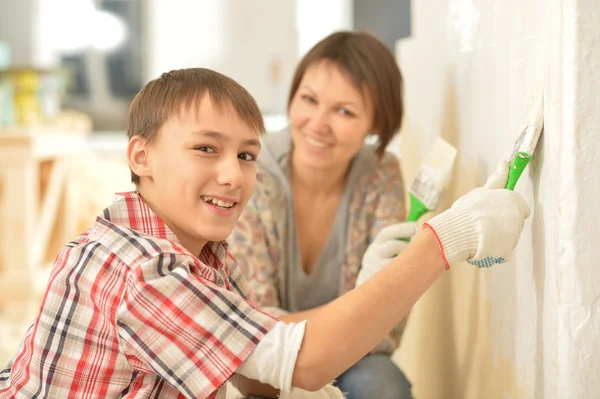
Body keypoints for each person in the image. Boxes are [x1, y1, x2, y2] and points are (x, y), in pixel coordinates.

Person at [0, 67, 530, 399]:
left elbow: (256, 373)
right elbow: (299, 361)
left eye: (247, 155)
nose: (233, 174)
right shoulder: (143, 270)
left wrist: (371, 282)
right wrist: (445, 238)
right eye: (206, 148)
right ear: (142, 157)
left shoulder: (205, 254)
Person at [230, 30, 412, 398]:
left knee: (383, 386)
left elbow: (387, 323)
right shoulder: (252, 170)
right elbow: (254, 324)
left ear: (377, 123)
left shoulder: (382, 174)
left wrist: (347, 328)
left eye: (344, 111)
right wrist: (352, 318)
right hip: (264, 360)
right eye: (309, 99)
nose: (318, 123)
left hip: (355, 358)